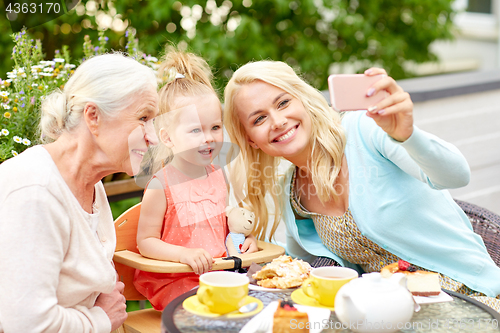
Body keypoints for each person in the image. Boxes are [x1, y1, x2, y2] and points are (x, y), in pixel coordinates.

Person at [223, 60, 500, 311]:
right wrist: (259, 250)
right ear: (250, 139)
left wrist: (408, 136)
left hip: (473, 297)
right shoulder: (291, 191)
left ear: (303, 99)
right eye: (259, 118)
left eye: (283, 103)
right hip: (393, 314)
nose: (278, 121)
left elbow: (456, 176)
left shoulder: (363, 130)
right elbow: (300, 266)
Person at [0, 53, 159, 332]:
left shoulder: (90, 182)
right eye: (143, 118)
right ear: (93, 116)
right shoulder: (35, 192)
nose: (153, 136)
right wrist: (99, 319)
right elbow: (26, 324)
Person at [133, 49, 257, 311]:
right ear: (167, 138)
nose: (208, 138)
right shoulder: (161, 184)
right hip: (176, 279)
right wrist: (183, 254)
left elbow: (222, 228)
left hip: (218, 274)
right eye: (195, 130)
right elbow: (145, 241)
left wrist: (242, 242)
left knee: (262, 294)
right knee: (214, 308)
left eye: (214, 127)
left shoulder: (216, 173)